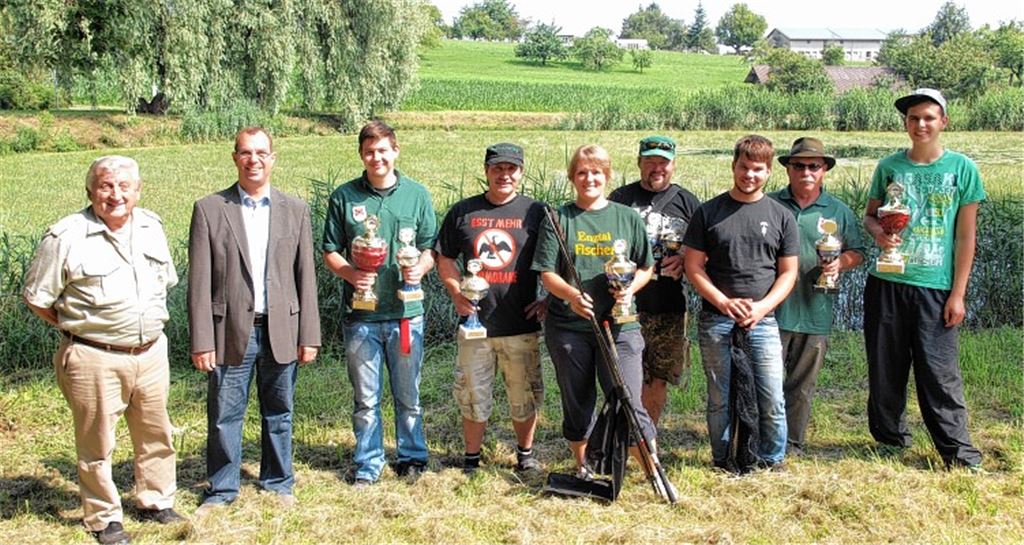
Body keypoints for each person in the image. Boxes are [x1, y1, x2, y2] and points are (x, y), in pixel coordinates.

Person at [23, 156, 182, 544]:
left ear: (138, 190)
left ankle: (156, 500)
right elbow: (37, 298)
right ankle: (103, 517)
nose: (116, 195)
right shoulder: (66, 236)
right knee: (97, 442)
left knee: (156, 433)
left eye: (125, 186)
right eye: (106, 186)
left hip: (150, 353)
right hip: (93, 357)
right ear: (90, 191)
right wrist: (79, 329)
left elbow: (168, 282)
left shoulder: (151, 227)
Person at [188, 127, 321, 514]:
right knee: (224, 415)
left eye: (261, 152)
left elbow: (305, 277)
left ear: (273, 158)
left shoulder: (295, 210)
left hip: (282, 330)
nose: (254, 160)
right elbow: (199, 282)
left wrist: (308, 334)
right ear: (235, 158)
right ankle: (222, 488)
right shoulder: (210, 209)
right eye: (246, 153)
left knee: (279, 411)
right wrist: (201, 340)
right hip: (228, 332)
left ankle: (278, 481)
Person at [862, 88, 984, 470]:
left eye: (929, 118)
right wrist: (879, 234)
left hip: (935, 284)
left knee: (939, 373)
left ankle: (957, 452)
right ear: (905, 123)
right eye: (914, 118)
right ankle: (889, 439)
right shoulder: (889, 168)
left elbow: (966, 237)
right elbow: (869, 216)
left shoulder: (962, 169)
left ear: (944, 121)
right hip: (887, 280)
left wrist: (958, 294)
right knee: (886, 366)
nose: (921, 125)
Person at [322, 120, 437, 486]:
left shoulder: (417, 194)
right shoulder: (344, 197)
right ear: (361, 154)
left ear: (395, 151)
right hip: (361, 316)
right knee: (366, 399)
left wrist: (419, 267)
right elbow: (330, 251)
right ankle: (369, 463)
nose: (377, 158)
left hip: (406, 315)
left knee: (409, 395)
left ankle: (412, 457)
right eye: (370, 151)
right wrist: (352, 275)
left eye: (383, 150)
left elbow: (430, 248)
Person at [531, 144, 657, 477]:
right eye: (583, 172)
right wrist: (572, 295)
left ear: (607, 175)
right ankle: (584, 466)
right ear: (573, 177)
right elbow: (546, 271)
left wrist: (630, 288)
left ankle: (650, 467)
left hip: (621, 326)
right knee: (578, 401)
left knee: (628, 396)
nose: (590, 178)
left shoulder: (627, 217)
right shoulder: (558, 218)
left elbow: (646, 266)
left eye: (597, 172)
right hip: (570, 327)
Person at [682, 134, 799, 470]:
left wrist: (762, 308)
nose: (750, 175)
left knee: (772, 396)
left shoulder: (781, 216)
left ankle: (772, 459)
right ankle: (722, 459)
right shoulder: (709, 212)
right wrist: (722, 302)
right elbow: (693, 266)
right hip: (717, 319)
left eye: (758, 169)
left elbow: (788, 273)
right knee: (720, 398)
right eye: (744, 167)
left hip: (763, 320)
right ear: (734, 166)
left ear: (768, 172)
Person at [436, 143, 547, 473]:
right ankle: (472, 459)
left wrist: (550, 299)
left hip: (521, 324)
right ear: (486, 171)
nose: (504, 175)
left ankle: (525, 457)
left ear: (521, 172)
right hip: (475, 326)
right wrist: (457, 292)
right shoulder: (463, 212)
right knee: (472, 394)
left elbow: (558, 260)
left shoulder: (537, 213)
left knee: (525, 395)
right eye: (497, 168)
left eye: (511, 169)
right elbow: (444, 258)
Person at [768, 137, 865, 455]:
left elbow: (858, 252)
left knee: (802, 385)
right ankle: (762, 439)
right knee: (764, 383)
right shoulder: (769, 204)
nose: (806, 172)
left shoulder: (839, 210)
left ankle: (792, 442)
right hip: (770, 310)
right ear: (787, 169)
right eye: (799, 165)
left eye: (814, 166)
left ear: (824, 170)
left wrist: (841, 262)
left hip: (815, 309)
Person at [609, 135, 701, 425]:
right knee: (621, 377)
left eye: (663, 162)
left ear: (673, 165)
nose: (657, 168)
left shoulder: (689, 203)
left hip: (668, 307)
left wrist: (686, 259)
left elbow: (705, 251)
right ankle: (620, 437)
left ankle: (647, 441)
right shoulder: (620, 199)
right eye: (650, 162)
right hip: (623, 305)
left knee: (657, 379)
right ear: (639, 163)